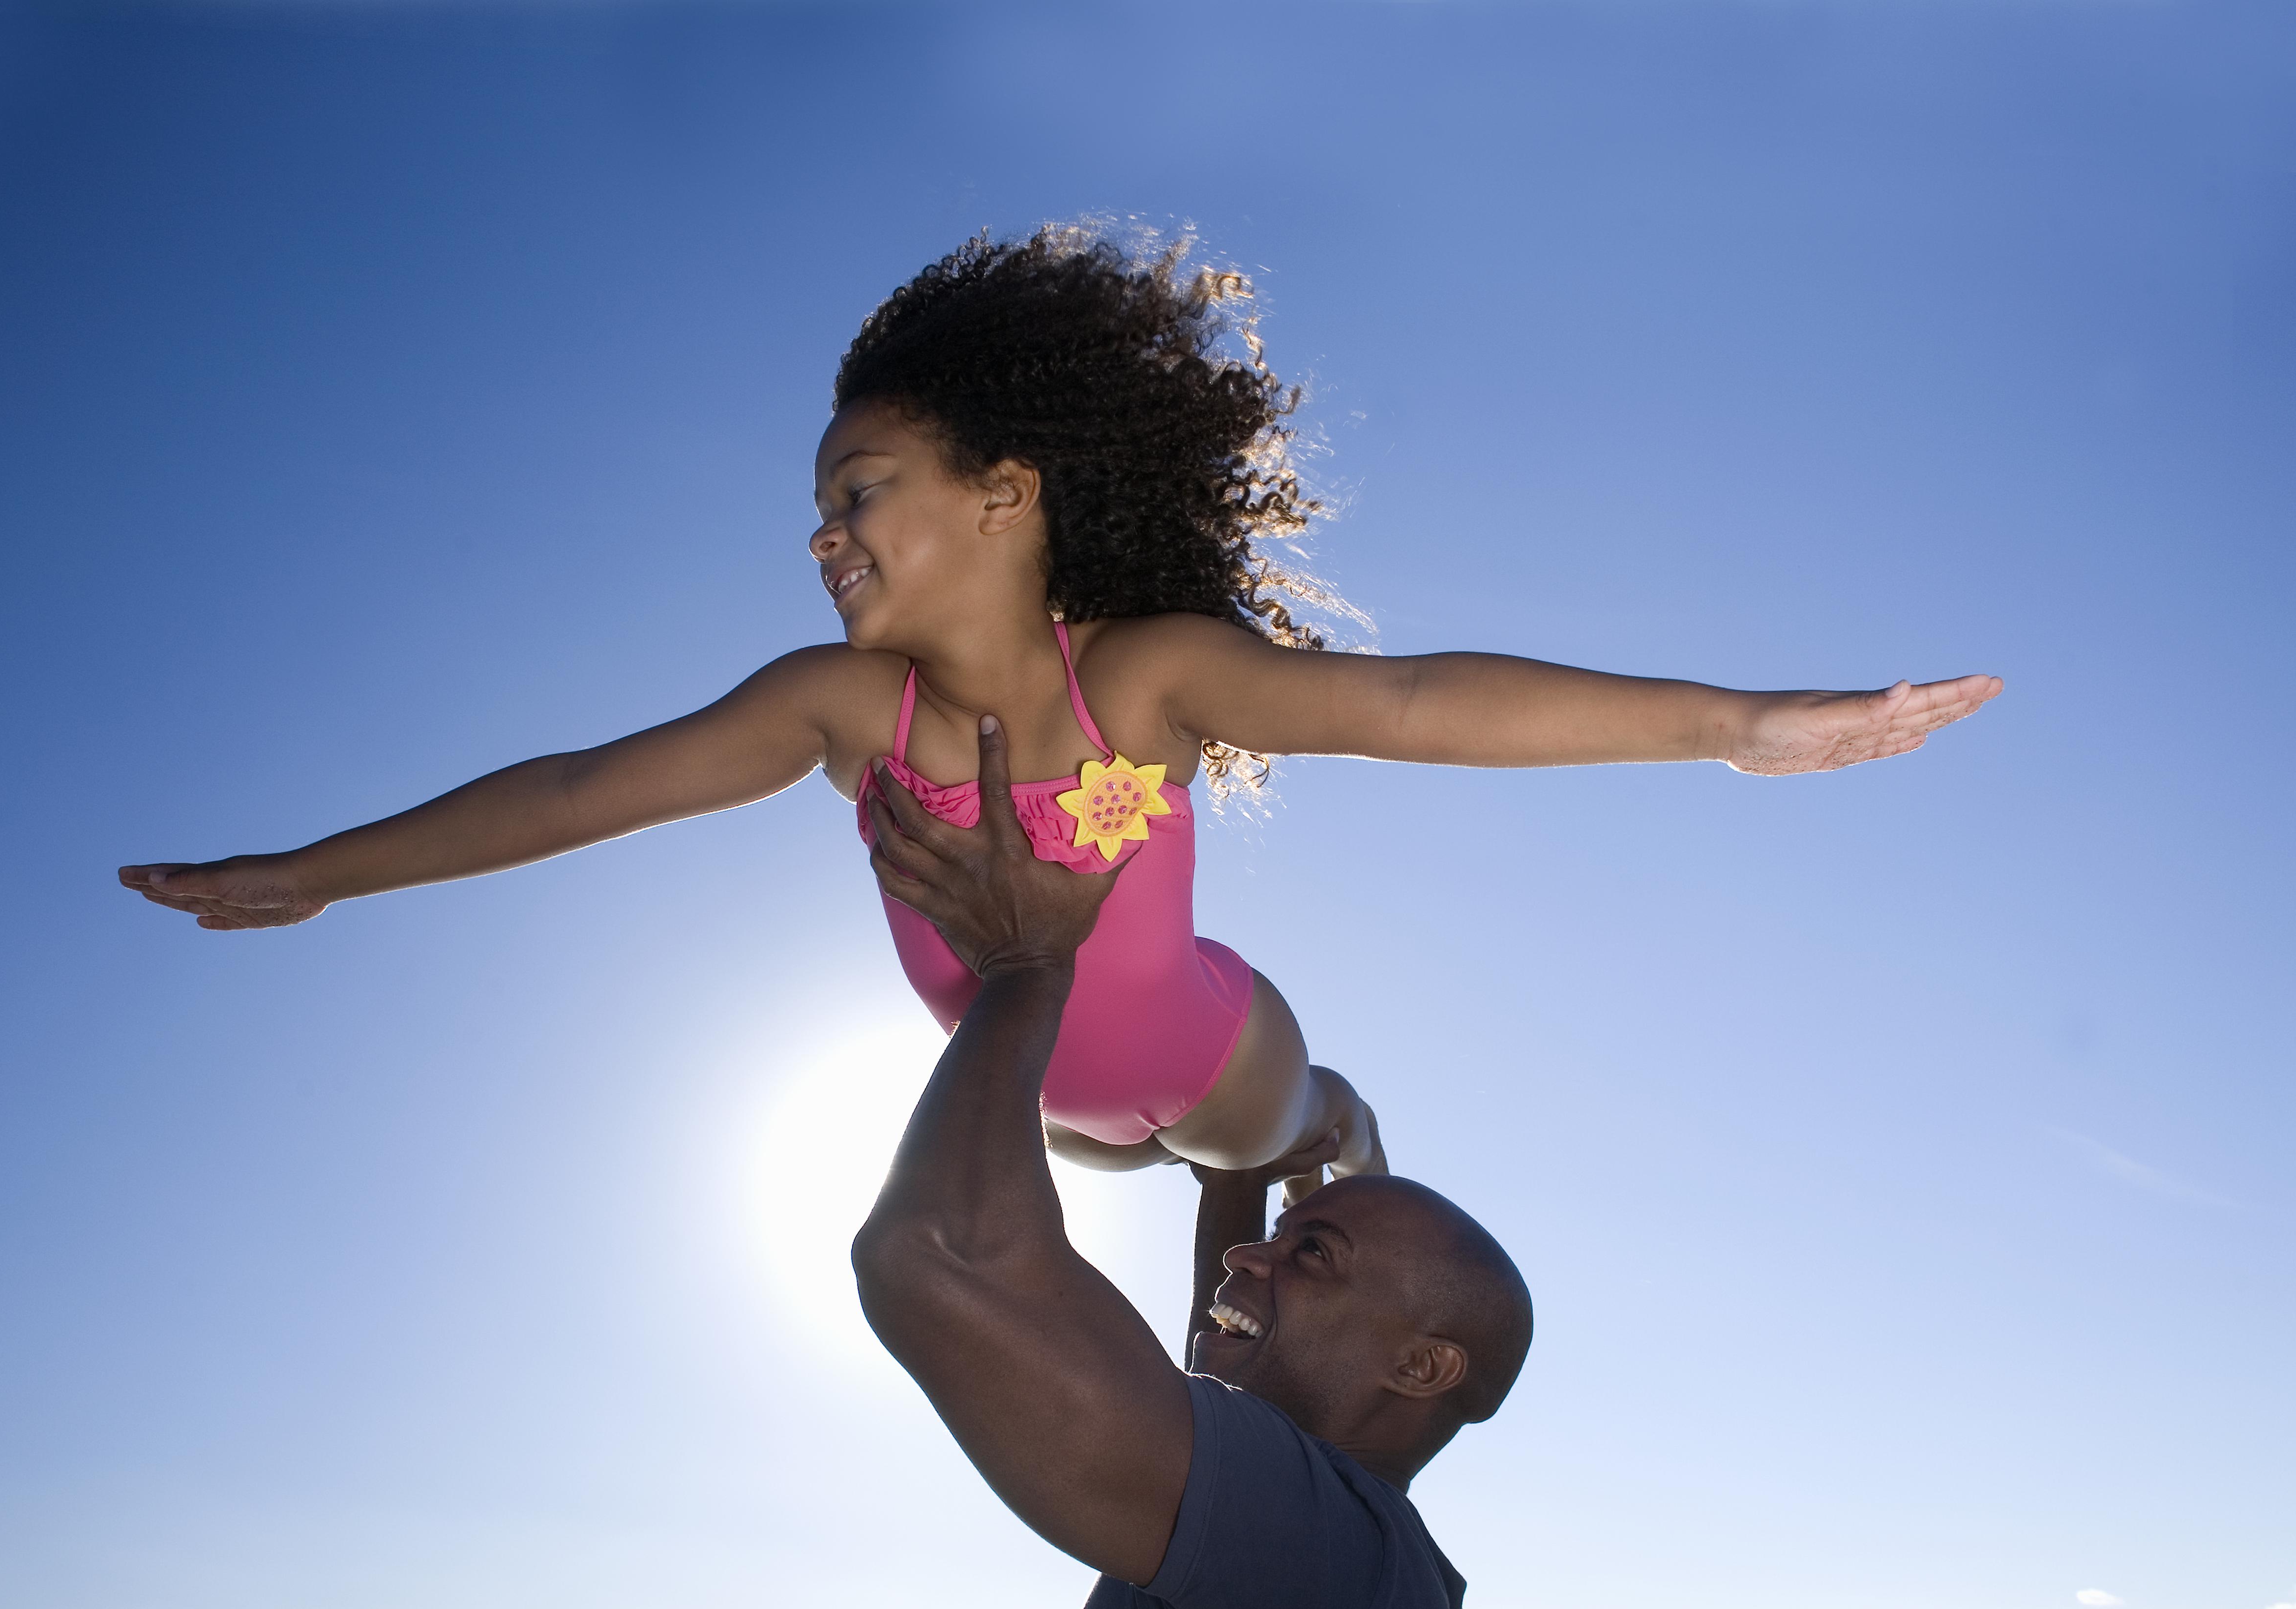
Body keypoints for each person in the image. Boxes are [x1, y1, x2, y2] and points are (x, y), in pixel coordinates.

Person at [118, 226, 2000, 1193]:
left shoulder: (1146, 677)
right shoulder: (835, 712)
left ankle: (1330, 1119)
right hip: (1034, 1094)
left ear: (1006, 495)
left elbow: (1415, 699)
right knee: (1092, 1149)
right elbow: (580, 788)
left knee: (1250, 1136)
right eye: (816, 509)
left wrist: (1731, 724)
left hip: (1213, 1044)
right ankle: (1131, 1158)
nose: (824, 534)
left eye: (862, 491)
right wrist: (322, 875)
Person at [855, 714, 1534, 1609]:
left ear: (1422, 1368)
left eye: (1312, 1257)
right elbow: (1221, 1365)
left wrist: (1029, 965)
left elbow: (937, 1258)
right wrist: (1237, 1159)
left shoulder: (1314, 1551)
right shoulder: (1389, 1596)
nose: (1241, 1268)